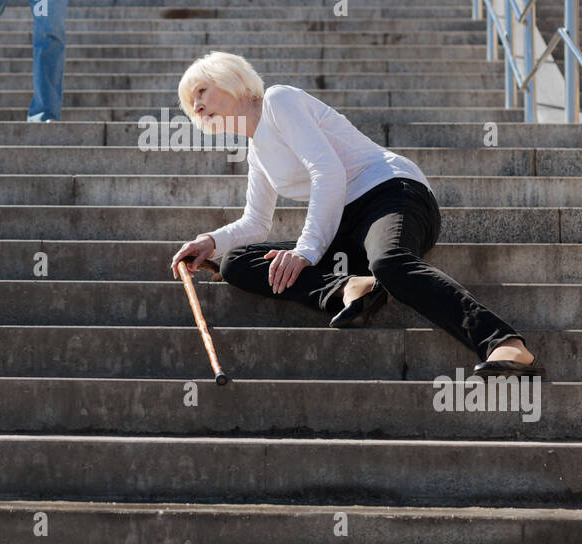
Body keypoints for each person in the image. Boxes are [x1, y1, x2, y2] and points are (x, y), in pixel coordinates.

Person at [168, 51, 542, 377]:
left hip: (391, 194)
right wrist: (210, 243)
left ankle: (503, 342)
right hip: (346, 226)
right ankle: (350, 287)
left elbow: (326, 171)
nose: (196, 105)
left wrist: (306, 250)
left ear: (231, 79)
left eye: (201, 90)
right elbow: (256, 223)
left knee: (390, 263)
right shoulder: (257, 152)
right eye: (190, 102)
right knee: (235, 263)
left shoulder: (278, 101)